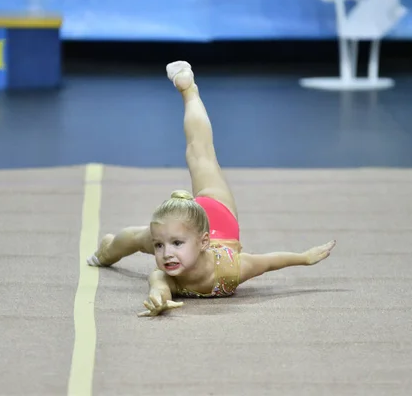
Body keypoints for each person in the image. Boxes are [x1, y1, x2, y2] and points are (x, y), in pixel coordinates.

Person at [87, 61, 336, 317]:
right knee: (133, 239)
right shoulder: (166, 270)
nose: (166, 254)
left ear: (203, 241)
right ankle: (107, 250)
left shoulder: (232, 269)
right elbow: (158, 286)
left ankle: (189, 89)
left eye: (175, 244)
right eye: (159, 246)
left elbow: (270, 261)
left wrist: (304, 258)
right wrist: (157, 299)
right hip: (199, 224)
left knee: (201, 152)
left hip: (216, 211)